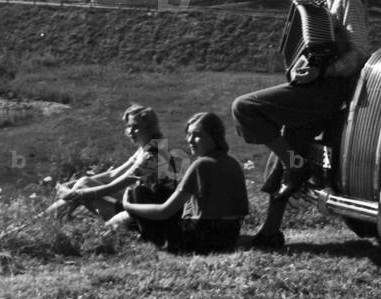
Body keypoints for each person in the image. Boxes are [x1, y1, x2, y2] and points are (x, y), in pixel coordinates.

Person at [231, 0, 370, 248]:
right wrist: (304, 67)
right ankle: (270, 232)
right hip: (319, 88)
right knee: (288, 146)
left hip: (327, 93)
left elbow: (360, 52)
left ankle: (297, 163)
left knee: (245, 108)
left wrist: (324, 70)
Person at [122, 111, 249, 254]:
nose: (190, 140)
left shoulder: (202, 164)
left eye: (197, 135)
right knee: (160, 192)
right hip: (229, 236)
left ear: (214, 136)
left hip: (203, 239)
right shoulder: (232, 162)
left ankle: (154, 241)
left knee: (140, 192)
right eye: (188, 134)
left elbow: (165, 211)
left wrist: (129, 206)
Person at [46, 104, 177, 243]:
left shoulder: (153, 156)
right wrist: (72, 185)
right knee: (84, 183)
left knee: (81, 191)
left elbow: (113, 186)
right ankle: (47, 219)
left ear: (149, 128)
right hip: (141, 204)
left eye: (136, 127)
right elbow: (113, 174)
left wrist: (74, 193)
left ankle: (45, 220)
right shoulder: (149, 146)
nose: (131, 131)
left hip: (146, 217)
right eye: (129, 126)